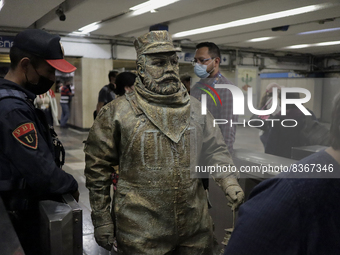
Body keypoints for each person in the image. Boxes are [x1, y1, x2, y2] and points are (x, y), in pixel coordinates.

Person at [84, 30, 244, 254]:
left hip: (194, 226)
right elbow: (97, 168)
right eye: (159, 63)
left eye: (173, 61)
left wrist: (229, 181)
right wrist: (101, 218)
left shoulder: (197, 109)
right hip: (139, 230)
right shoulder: (117, 112)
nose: (169, 69)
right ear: (140, 68)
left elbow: (215, 150)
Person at [224, 92, 340, 255]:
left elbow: (257, 125)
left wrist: (265, 99)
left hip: (283, 165)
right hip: (298, 161)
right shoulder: (307, 114)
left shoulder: (278, 117)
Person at [0, 29, 79, 255]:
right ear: (25, 65)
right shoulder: (12, 109)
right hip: (17, 215)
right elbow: (42, 171)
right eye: (49, 70)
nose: (53, 78)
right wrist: (70, 184)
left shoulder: (17, 100)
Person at [190, 42, 238, 156]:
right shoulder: (195, 89)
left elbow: (227, 132)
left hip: (210, 156)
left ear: (216, 61)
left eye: (202, 60)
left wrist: (223, 165)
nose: (198, 64)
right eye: (195, 61)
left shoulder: (227, 90)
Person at [258, 83, 282, 147]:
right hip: (268, 132)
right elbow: (279, 114)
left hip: (264, 131)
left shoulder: (267, 99)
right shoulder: (274, 101)